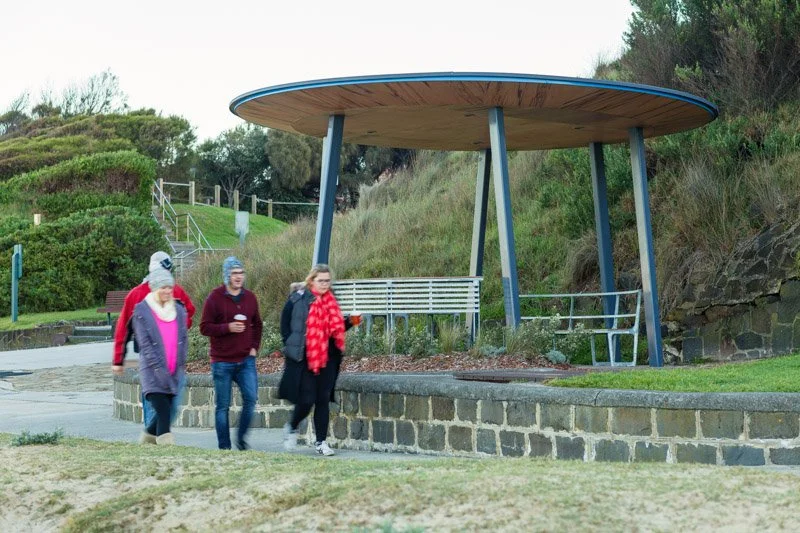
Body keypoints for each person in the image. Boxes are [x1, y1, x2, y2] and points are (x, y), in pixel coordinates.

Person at [111, 251, 196, 443]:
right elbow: (123, 327)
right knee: (156, 404)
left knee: (172, 404)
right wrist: (118, 358)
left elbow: (189, 311)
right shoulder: (137, 295)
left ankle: (149, 437)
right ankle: (160, 443)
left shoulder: (176, 292)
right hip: (150, 359)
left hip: (173, 359)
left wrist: (180, 332)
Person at [279, 264, 357, 456]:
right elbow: (285, 322)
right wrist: (290, 342)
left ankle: (321, 442)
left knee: (322, 399)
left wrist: (350, 322)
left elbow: (335, 329)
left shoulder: (331, 301)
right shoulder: (299, 299)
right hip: (306, 356)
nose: (324, 284)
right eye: (321, 280)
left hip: (329, 357)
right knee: (307, 399)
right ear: (311, 280)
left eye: (327, 280)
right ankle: (292, 426)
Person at [200, 256, 263, 450]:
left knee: (251, 399)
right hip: (222, 362)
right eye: (234, 273)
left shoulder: (250, 297)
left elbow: (258, 324)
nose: (238, 277)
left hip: (246, 360)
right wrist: (227, 327)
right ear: (227, 275)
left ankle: (241, 439)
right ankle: (224, 447)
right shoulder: (214, 297)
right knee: (223, 406)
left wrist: (254, 347)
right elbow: (204, 327)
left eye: (241, 273)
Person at [130, 268, 188, 445]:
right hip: (153, 374)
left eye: (170, 287)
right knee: (163, 411)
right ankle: (166, 449)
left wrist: (180, 365)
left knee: (168, 411)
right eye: (163, 287)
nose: (167, 291)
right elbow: (146, 347)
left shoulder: (178, 310)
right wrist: (161, 372)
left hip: (173, 373)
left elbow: (183, 339)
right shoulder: (142, 311)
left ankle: (147, 440)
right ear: (154, 288)